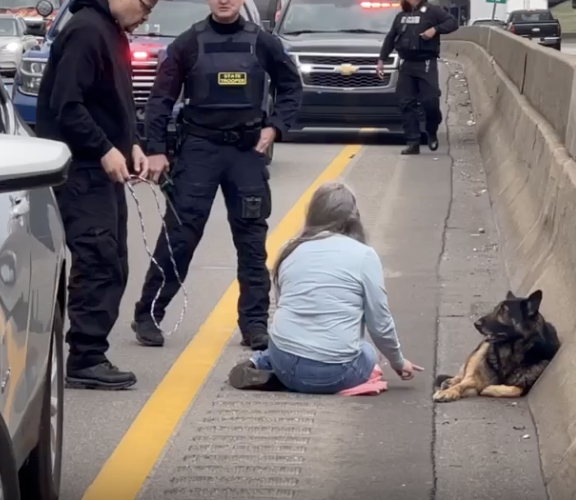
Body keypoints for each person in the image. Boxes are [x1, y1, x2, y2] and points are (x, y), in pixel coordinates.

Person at [129, 0, 303, 350]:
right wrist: (157, 149)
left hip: (247, 151)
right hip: (199, 149)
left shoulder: (263, 42)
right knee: (180, 235)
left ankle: (254, 324)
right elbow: (160, 99)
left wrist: (276, 128)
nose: (224, 0)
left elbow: (291, 87)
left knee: (252, 241)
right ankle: (148, 314)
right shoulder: (188, 43)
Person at [36, 0, 159, 390]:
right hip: (82, 170)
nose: (146, 15)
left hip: (104, 170)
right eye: (145, 5)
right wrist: (105, 148)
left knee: (114, 262)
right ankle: (85, 358)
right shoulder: (87, 31)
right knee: (97, 260)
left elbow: (113, 103)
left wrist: (132, 144)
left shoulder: (111, 32)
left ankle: (91, 351)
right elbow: (67, 106)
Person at [227, 181, 424, 394]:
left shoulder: (289, 249)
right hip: (334, 372)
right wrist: (398, 361)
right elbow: (380, 323)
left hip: (283, 357)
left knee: (290, 338)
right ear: (353, 218)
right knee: (368, 352)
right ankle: (306, 379)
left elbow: (286, 303)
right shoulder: (364, 255)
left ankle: (266, 365)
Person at [376, 0, 458, 155]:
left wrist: (435, 29)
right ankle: (412, 142)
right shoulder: (401, 16)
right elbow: (390, 38)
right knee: (406, 103)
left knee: (430, 101)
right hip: (407, 64)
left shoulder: (433, 11)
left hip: (426, 62)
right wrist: (381, 60)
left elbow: (452, 23)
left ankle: (431, 131)